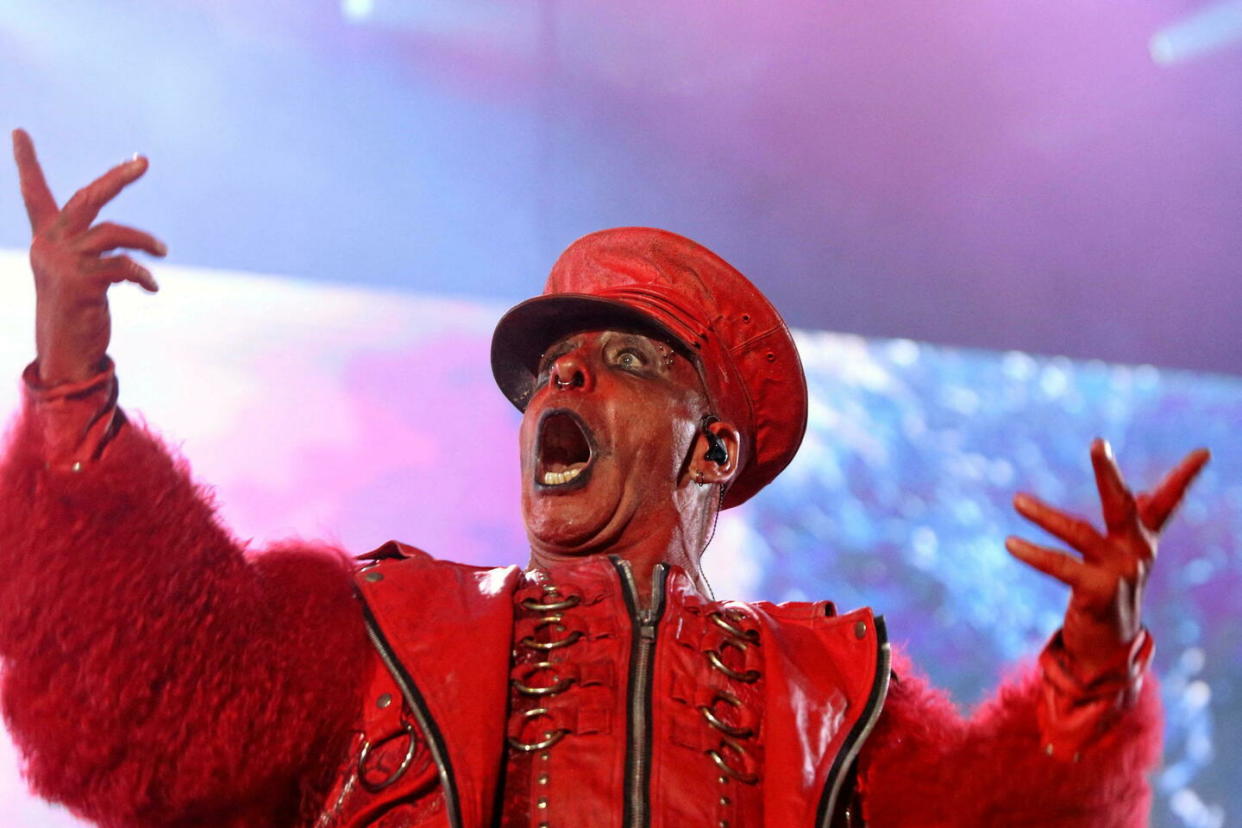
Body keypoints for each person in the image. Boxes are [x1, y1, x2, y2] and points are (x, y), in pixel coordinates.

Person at [0, 129, 1209, 827]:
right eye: (553, 372)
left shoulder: (833, 695)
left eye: (624, 360)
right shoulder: (375, 632)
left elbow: (1003, 817)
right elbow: (146, 697)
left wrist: (1097, 667)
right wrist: (71, 386)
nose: (566, 384)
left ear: (713, 450)